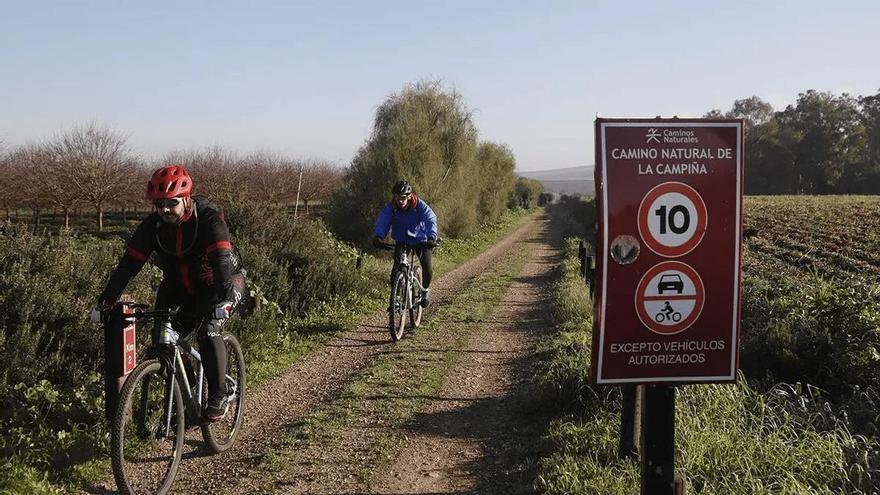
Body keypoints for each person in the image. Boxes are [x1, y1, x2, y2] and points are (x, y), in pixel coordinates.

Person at [90, 164, 246, 422]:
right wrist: (105, 302)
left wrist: (225, 299)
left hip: (219, 282)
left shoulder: (208, 220)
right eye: (158, 204)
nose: (163, 210)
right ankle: (186, 389)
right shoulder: (154, 226)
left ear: (186, 199)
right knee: (161, 336)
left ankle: (219, 393)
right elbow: (129, 266)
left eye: (170, 204)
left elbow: (220, 264)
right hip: (178, 286)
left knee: (209, 329)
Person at [372, 180, 439, 307]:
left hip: (421, 240)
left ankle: (424, 292)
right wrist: (378, 236)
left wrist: (432, 237)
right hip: (402, 240)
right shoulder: (391, 207)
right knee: (396, 269)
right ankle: (396, 298)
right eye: (397, 198)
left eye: (403, 198)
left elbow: (430, 218)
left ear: (409, 197)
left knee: (427, 267)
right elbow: (383, 221)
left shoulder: (419, 205)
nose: (400, 201)